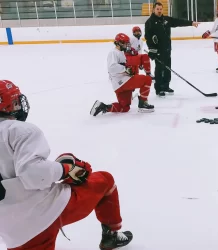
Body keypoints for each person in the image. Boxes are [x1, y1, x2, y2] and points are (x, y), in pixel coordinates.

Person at [0, 80, 133, 250]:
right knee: (104, 180)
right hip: (41, 215)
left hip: (9, 229)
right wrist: (65, 170)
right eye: (15, 101)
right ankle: (111, 235)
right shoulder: (19, 130)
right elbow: (33, 174)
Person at [90, 33, 154, 116]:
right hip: (122, 81)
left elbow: (124, 65)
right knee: (147, 79)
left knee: (124, 107)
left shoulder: (121, 52)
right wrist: (125, 69)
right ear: (118, 43)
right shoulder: (113, 52)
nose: (126, 45)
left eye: (127, 43)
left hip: (118, 85)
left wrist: (131, 68)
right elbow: (111, 67)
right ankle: (143, 104)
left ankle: (103, 107)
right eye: (124, 43)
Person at [145, 1, 200, 97]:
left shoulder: (165, 20)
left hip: (167, 49)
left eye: (160, 9)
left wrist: (191, 23)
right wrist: (152, 50)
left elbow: (178, 21)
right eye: (157, 9)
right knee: (159, 69)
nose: (159, 11)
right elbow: (148, 37)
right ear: (153, 9)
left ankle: (166, 86)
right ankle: (159, 89)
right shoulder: (149, 22)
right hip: (158, 51)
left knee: (167, 69)